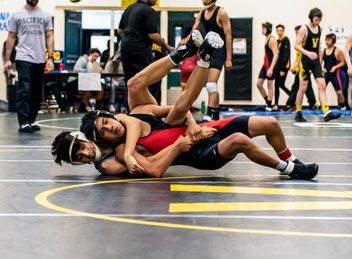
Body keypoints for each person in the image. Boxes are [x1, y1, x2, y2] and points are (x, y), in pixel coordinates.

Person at [78, 32, 319, 180]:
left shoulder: (138, 113)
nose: (111, 128)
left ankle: (191, 54)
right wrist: (182, 144)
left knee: (270, 123)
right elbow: (151, 169)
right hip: (197, 151)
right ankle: (288, 169)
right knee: (239, 140)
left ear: (110, 115)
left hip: (202, 128)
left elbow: (180, 108)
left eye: (107, 122)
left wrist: (192, 122)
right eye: (105, 131)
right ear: (104, 140)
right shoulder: (122, 151)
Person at [4, 0, 54, 132]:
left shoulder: (46, 15)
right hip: (23, 56)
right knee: (24, 89)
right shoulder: (17, 14)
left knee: (36, 91)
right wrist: (7, 59)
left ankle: (31, 120)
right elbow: (11, 36)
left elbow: (49, 36)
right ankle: (23, 122)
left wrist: (50, 58)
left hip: (40, 58)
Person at [118, 0, 174, 106]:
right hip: (140, 50)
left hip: (126, 50)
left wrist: (129, 40)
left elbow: (120, 31)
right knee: (152, 79)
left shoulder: (128, 9)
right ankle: (152, 113)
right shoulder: (148, 11)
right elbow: (153, 35)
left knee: (131, 82)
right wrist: (168, 47)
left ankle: (133, 113)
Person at [294, 8, 341, 122]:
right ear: (311, 18)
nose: (318, 22)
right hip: (305, 60)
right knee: (303, 88)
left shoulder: (320, 28)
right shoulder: (304, 29)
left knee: (322, 85)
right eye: (316, 20)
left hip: (315, 61)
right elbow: (296, 45)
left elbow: (318, 45)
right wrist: (308, 53)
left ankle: (326, 112)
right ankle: (298, 112)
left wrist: (320, 60)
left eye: (319, 20)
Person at [191, 0, 232, 121]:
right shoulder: (201, 14)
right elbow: (194, 31)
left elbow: (228, 35)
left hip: (220, 51)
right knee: (212, 86)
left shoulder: (221, 13)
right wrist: (185, 41)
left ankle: (208, 114)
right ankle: (216, 114)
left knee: (211, 84)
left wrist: (229, 58)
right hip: (208, 51)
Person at [286, 25, 317, 111]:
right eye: (296, 33)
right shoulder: (299, 44)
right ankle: (312, 103)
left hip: (305, 67)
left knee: (299, 87)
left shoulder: (304, 44)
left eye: (298, 32)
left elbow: (302, 58)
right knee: (303, 87)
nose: (297, 34)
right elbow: (298, 58)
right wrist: (294, 67)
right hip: (300, 69)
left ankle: (291, 104)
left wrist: (294, 67)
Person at [68, 48, 105, 112]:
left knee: (101, 86)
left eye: (97, 57)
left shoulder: (95, 63)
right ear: (90, 54)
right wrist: (87, 71)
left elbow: (96, 72)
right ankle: (84, 104)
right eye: (94, 56)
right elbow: (76, 69)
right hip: (77, 79)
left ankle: (98, 104)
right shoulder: (83, 59)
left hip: (90, 80)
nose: (95, 58)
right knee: (86, 86)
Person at [257, 22, 278, 112]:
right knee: (259, 84)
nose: (262, 31)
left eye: (264, 29)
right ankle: (268, 102)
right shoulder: (266, 39)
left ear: (268, 29)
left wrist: (271, 68)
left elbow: (276, 54)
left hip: (270, 65)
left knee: (270, 85)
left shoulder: (272, 40)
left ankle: (269, 105)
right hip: (265, 64)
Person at [321, 33, 345, 108]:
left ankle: (342, 105)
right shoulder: (323, 51)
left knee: (339, 93)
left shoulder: (338, 50)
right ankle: (323, 107)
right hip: (325, 74)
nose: (326, 41)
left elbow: (343, 63)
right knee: (321, 91)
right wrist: (322, 68)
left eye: (328, 40)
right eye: (326, 40)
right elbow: (319, 63)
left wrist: (335, 67)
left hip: (335, 74)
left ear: (333, 40)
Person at [274, 24, 291, 111]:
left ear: (283, 31)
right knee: (276, 85)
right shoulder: (277, 41)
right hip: (277, 66)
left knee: (281, 84)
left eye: (281, 31)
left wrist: (283, 69)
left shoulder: (285, 39)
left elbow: (286, 55)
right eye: (278, 31)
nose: (279, 32)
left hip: (283, 67)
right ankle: (276, 104)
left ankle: (292, 97)